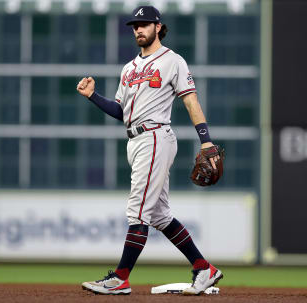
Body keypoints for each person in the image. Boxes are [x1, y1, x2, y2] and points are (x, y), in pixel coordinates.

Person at [76, 5, 223, 296]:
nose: (138, 29)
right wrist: (93, 96)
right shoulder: (128, 69)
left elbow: (191, 101)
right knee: (158, 216)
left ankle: (120, 278)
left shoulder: (172, 61)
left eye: (144, 24)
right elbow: (122, 112)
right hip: (135, 140)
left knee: (137, 211)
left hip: (155, 136)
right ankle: (203, 268)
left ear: (158, 26)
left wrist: (206, 141)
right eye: (135, 25)